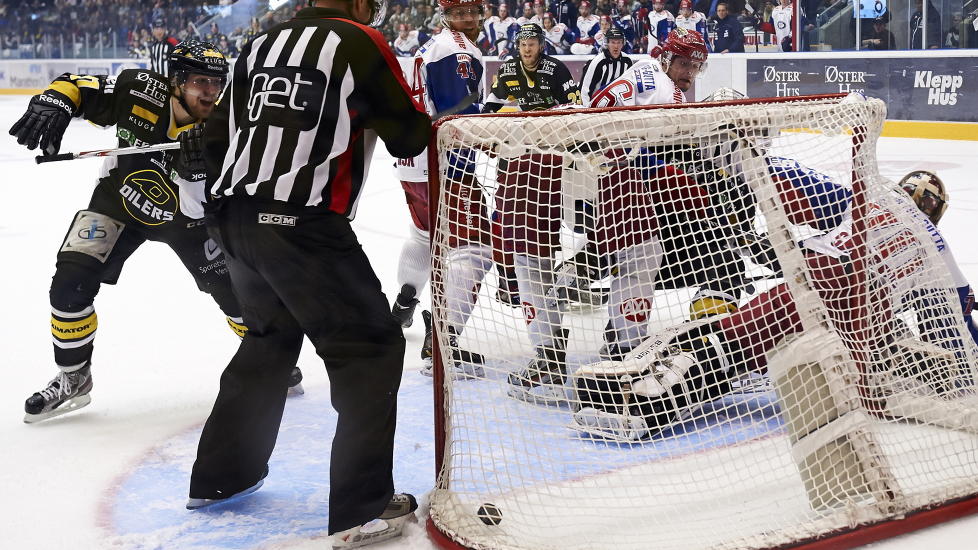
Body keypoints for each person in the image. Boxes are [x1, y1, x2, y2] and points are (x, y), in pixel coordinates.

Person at [186, 0, 431, 547]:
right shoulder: (359, 40)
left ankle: (221, 478)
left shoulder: (258, 44)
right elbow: (409, 136)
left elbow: (217, 139)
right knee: (369, 349)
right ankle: (361, 509)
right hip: (301, 224)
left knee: (269, 339)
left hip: (234, 219)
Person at [7, 40, 306, 424]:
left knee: (237, 298)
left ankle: (272, 361)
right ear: (176, 80)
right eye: (200, 82)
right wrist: (56, 102)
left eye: (217, 83)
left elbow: (198, 207)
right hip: (120, 201)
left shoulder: (227, 126)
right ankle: (74, 377)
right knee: (68, 284)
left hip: (191, 223)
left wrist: (195, 170)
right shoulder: (139, 89)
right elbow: (77, 84)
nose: (211, 92)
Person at [574, 164, 978, 441]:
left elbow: (798, 185)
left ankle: (640, 403)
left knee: (732, 340)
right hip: (856, 321)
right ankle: (641, 396)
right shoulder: (936, 247)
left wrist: (751, 167)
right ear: (936, 210)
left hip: (822, 275)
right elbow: (957, 321)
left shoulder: (870, 196)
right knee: (744, 350)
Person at [392, 0, 501, 378]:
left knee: (424, 235)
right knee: (475, 248)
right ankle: (441, 342)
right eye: (459, 13)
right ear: (446, 17)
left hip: (413, 162)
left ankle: (403, 304)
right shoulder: (458, 50)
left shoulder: (432, 45)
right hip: (444, 164)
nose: (468, 19)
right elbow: (461, 114)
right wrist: (495, 136)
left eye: (472, 12)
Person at [484, 23, 581, 112]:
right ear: (518, 46)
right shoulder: (508, 70)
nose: (527, 49)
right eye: (523, 44)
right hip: (529, 122)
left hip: (556, 122)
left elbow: (575, 107)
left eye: (531, 44)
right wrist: (488, 110)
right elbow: (495, 99)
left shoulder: (556, 69)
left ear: (541, 46)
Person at [580, 26, 635, 107]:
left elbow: (631, 85)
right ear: (607, 43)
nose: (616, 46)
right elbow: (586, 90)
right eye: (613, 42)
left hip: (619, 106)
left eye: (619, 42)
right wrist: (587, 109)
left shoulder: (627, 61)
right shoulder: (598, 62)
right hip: (597, 107)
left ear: (623, 43)